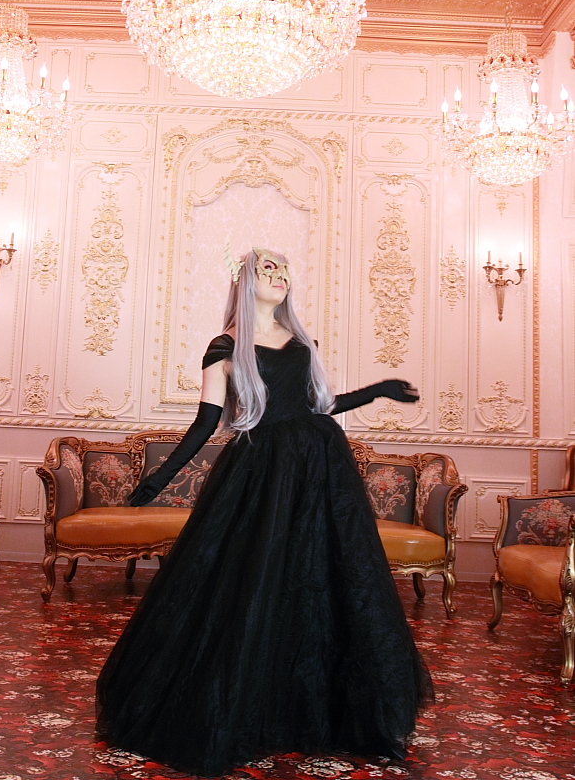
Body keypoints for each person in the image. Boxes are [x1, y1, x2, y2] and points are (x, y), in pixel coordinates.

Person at [96, 246, 433, 776]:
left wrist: (376, 391)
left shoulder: (301, 342)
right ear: (245, 281)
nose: (280, 277)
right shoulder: (225, 347)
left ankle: (315, 708)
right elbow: (206, 422)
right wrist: (161, 477)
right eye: (268, 270)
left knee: (324, 578)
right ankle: (240, 706)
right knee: (252, 579)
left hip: (320, 467)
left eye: (284, 270)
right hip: (262, 471)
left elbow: (321, 405)